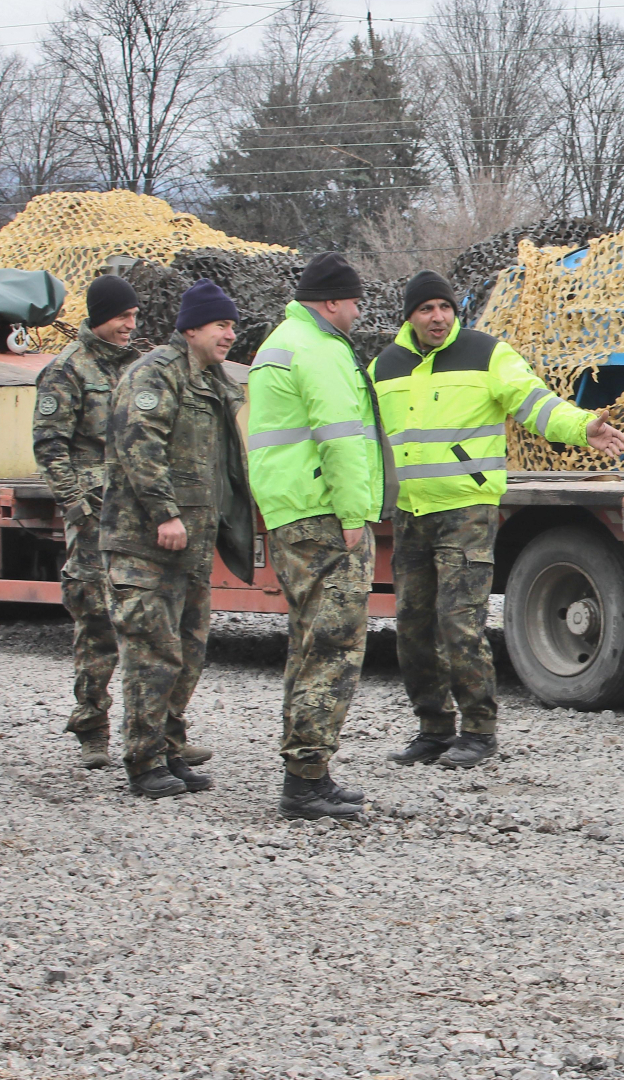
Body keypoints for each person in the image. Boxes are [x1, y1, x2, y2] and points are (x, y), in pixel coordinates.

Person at [372, 271, 624, 770]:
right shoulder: (384, 366)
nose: (438, 317)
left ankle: (480, 730)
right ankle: (433, 728)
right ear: (410, 315)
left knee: (459, 622)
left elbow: (535, 404)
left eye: (444, 307)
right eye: (426, 309)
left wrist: (582, 427)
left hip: (467, 510)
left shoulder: (487, 353)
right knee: (412, 627)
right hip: (411, 514)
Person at [246, 253, 387, 821]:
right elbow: (341, 439)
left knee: (308, 644)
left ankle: (308, 771)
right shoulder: (319, 350)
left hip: (290, 512)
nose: (357, 310)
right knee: (334, 646)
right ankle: (305, 782)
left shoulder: (280, 343)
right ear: (331, 301)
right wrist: (355, 516)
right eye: (354, 300)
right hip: (325, 516)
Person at [100, 280, 254, 799]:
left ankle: (168, 747)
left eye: (232, 325)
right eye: (221, 325)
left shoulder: (214, 381)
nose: (230, 334)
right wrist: (165, 514)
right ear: (191, 329)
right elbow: (139, 447)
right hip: (146, 544)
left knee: (188, 651)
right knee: (151, 653)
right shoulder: (155, 375)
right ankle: (143, 762)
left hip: (191, 548)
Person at [33, 275, 144, 770]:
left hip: (136, 512)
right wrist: (76, 506)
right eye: (123, 316)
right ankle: (92, 725)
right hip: (93, 516)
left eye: (134, 317)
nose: (130, 325)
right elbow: (50, 446)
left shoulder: (139, 371)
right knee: (95, 618)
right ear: (99, 317)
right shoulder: (66, 371)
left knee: (146, 621)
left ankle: (155, 733)